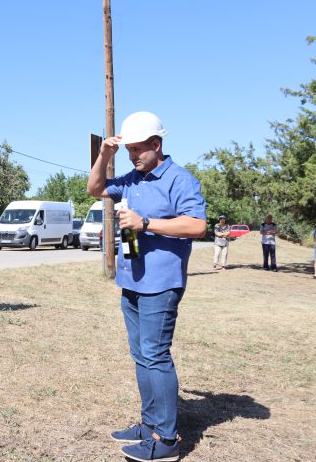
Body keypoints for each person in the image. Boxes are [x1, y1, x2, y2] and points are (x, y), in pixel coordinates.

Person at [87, 111, 207, 462]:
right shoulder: (132, 178)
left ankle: (167, 440)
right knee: (142, 356)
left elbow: (198, 226)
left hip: (161, 283)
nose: (133, 155)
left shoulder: (180, 180)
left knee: (156, 356)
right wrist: (104, 155)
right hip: (133, 280)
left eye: (138, 149)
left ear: (157, 145)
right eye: (129, 150)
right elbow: (95, 188)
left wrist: (148, 223)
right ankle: (149, 424)